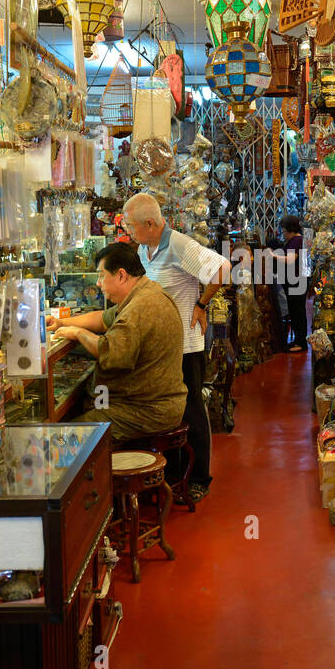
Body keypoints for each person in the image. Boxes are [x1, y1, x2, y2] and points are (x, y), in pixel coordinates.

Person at [122, 193, 231, 502]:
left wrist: (201, 304)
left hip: (186, 344)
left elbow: (222, 269)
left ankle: (199, 477)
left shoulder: (180, 245)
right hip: (162, 349)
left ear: (149, 223)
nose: (128, 230)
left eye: (131, 225)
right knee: (170, 410)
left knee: (191, 408)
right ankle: (175, 471)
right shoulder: (145, 248)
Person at [50, 243, 186, 442]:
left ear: (121, 275)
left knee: (65, 438)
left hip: (145, 412)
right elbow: (103, 318)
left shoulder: (139, 308)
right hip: (151, 403)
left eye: (101, 275)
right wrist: (61, 322)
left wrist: (79, 334)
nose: (98, 283)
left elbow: (110, 352)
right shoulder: (145, 292)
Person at [276, 215, 309, 352]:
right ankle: (298, 341)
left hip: (297, 283)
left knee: (298, 313)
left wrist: (273, 255)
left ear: (290, 229)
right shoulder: (295, 240)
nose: (283, 234)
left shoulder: (296, 240)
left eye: (284, 231)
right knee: (296, 312)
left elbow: (290, 260)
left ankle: (301, 343)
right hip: (295, 282)